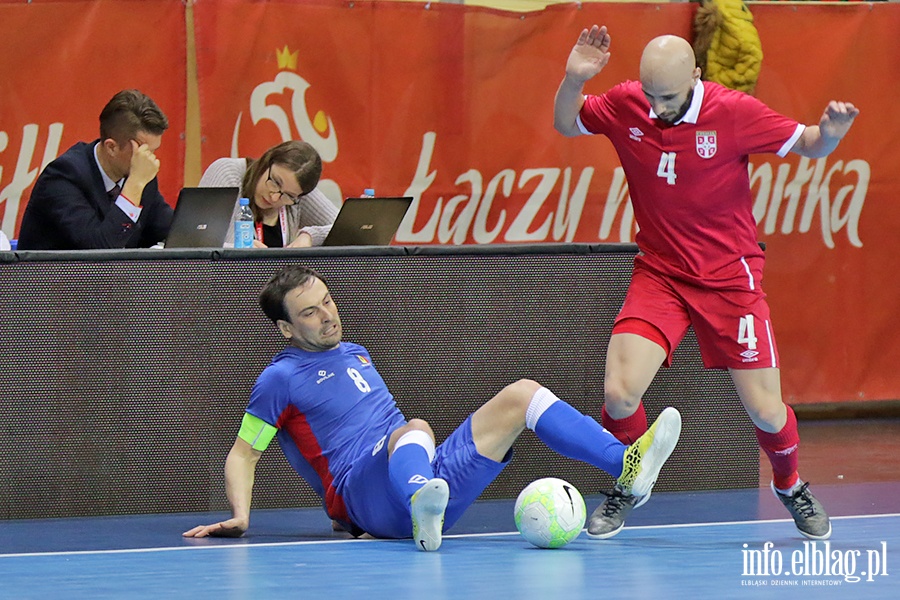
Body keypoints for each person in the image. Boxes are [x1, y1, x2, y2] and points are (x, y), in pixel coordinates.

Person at [553, 25, 859, 541]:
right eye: (650, 95)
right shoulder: (629, 104)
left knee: (765, 410)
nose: (657, 107)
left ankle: (790, 484)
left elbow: (809, 144)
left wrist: (830, 132)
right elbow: (567, 124)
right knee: (620, 395)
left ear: (695, 77)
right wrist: (572, 79)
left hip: (729, 279)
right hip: (661, 272)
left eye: (668, 97)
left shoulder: (733, 111)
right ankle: (631, 480)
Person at [183, 265, 683, 551]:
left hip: (415, 475)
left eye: (328, 302)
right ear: (287, 329)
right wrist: (240, 516)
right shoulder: (278, 378)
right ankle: (422, 500)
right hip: (366, 493)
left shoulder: (355, 351)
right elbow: (244, 454)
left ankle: (626, 467)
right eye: (309, 312)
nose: (327, 315)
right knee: (412, 428)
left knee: (521, 395)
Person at [16, 89, 173, 250]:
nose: (150, 160)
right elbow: (99, 252)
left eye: (152, 151)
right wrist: (134, 186)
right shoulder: (63, 177)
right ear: (111, 147)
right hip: (57, 275)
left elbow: (171, 232)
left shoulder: (140, 175)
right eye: (143, 151)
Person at [198, 141, 338, 248]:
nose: (275, 197)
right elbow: (197, 240)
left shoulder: (296, 194)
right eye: (275, 182)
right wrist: (237, 250)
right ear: (267, 161)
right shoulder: (228, 172)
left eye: (288, 195)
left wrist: (310, 236)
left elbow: (347, 227)